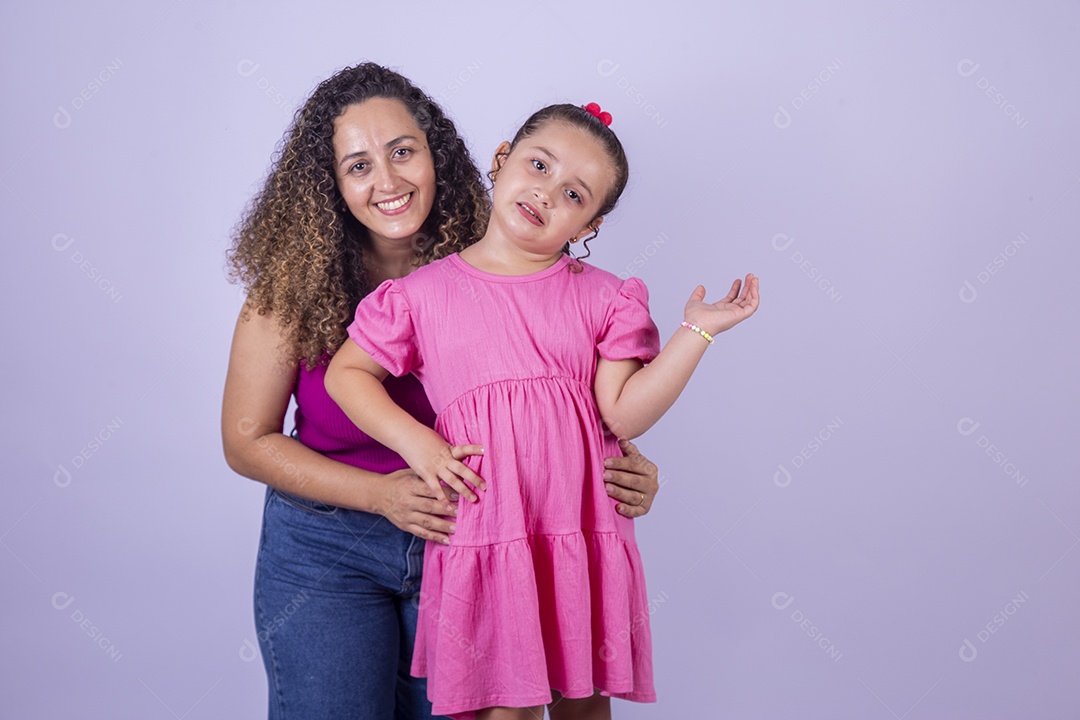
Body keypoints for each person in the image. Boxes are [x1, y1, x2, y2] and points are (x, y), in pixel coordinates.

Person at [221, 64, 664, 720]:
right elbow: (245, 441)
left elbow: (567, 396)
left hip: (472, 543)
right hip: (328, 548)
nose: (389, 181)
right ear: (330, 184)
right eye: (359, 165)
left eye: (403, 152)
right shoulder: (292, 289)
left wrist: (629, 466)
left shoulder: (509, 251)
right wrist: (383, 494)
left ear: (438, 153)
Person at [325, 102, 760, 719]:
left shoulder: (607, 297)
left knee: (583, 701)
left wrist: (698, 332)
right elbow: (348, 374)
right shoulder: (421, 296)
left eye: (574, 194)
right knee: (505, 705)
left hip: (579, 528)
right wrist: (417, 444)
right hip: (490, 526)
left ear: (591, 224)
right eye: (538, 165)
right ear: (501, 161)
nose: (546, 193)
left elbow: (625, 415)